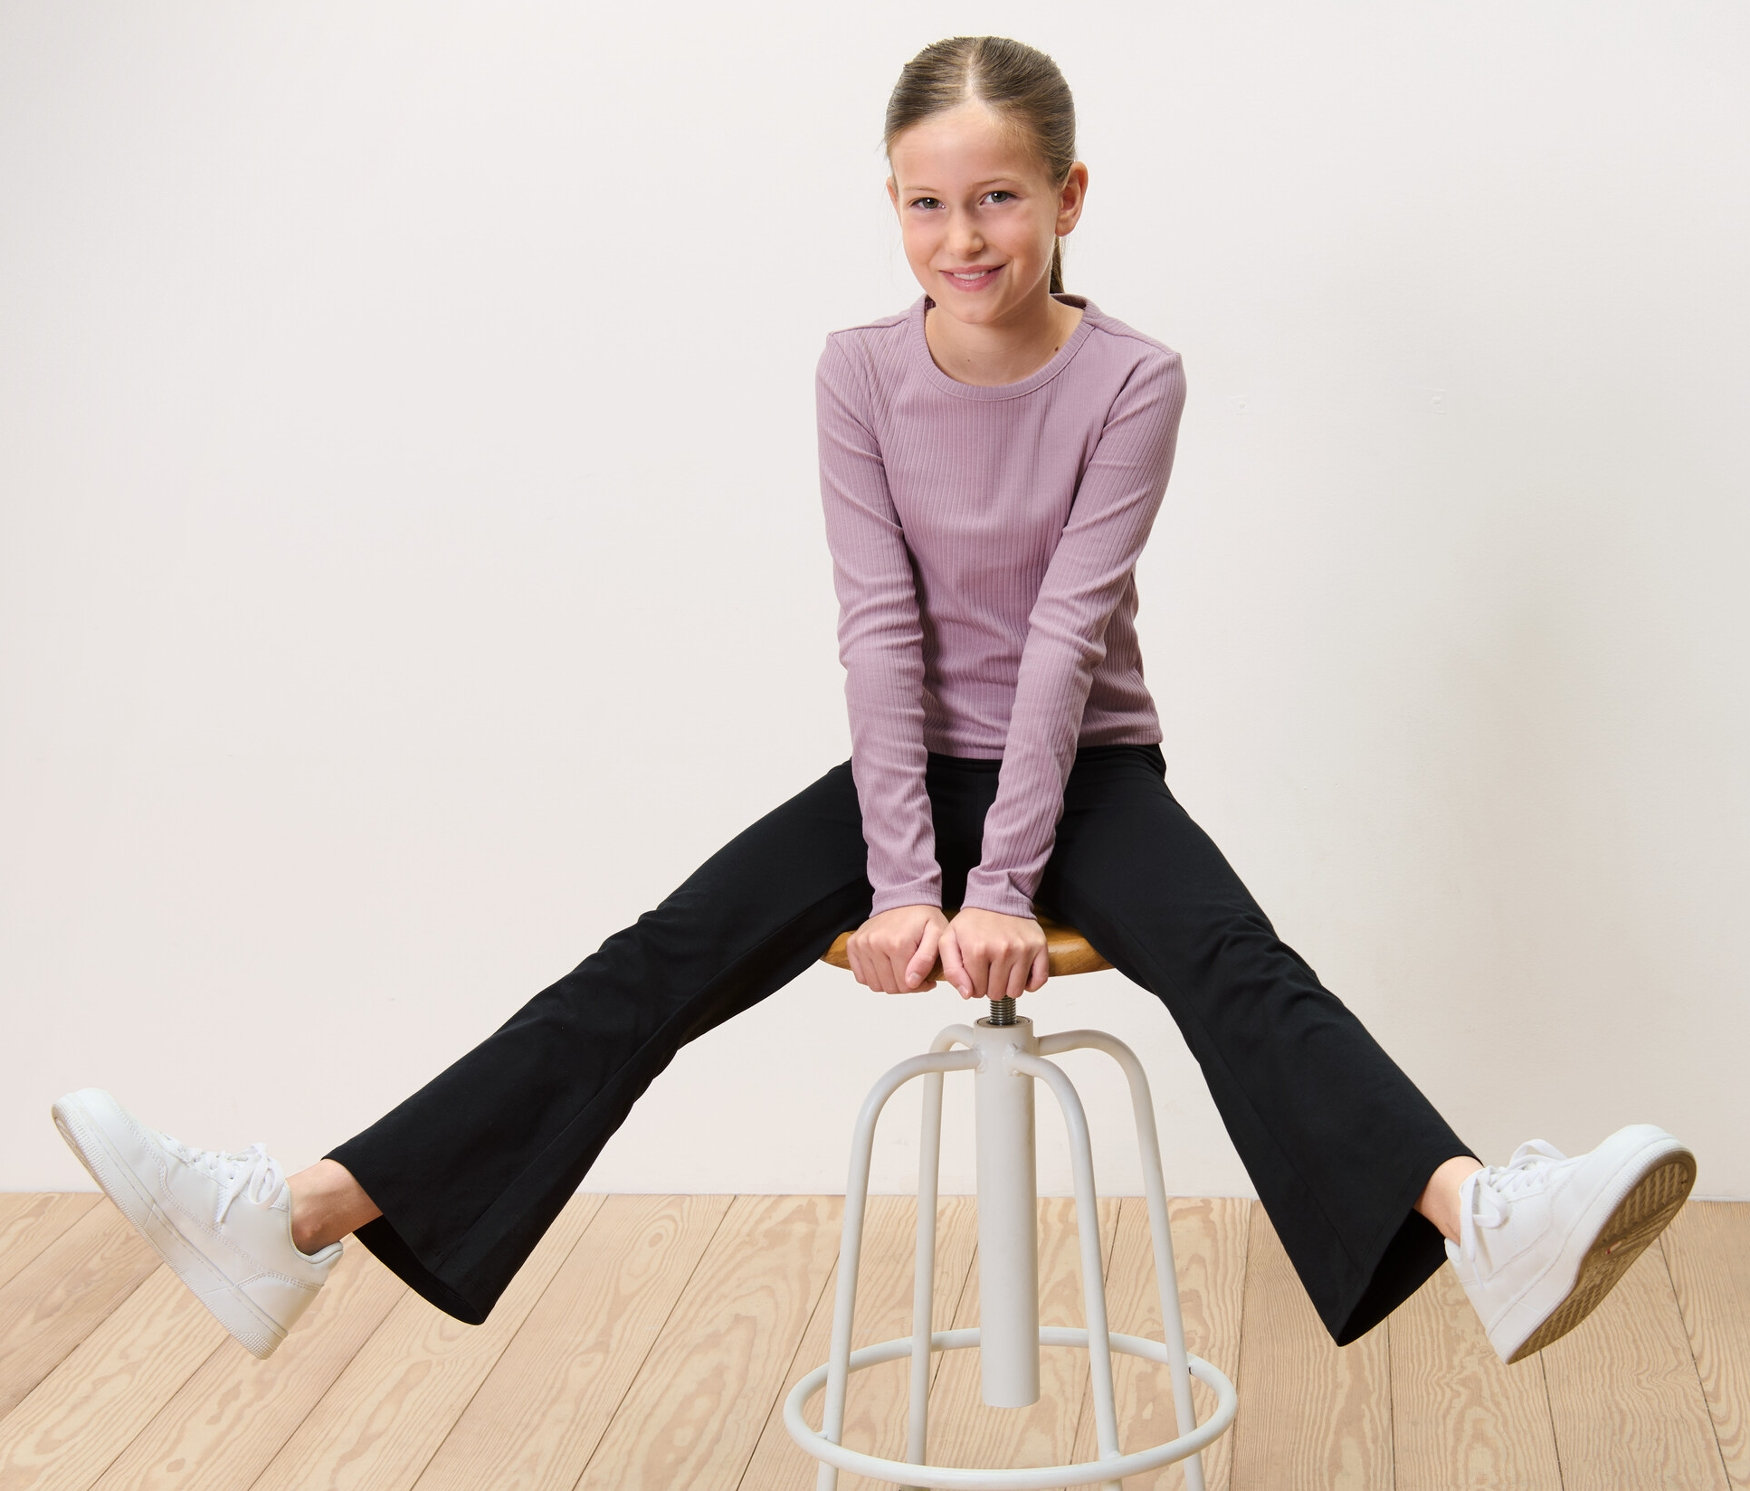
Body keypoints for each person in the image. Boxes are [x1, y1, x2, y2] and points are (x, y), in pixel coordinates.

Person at [53, 34, 1695, 1372]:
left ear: (1066, 195)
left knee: (1232, 965)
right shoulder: (856, 372)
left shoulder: (1132, 379)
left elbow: (1061, 642)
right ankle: (289, 1219)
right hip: (901, 768)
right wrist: (908, 876)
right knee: (656, 963)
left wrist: (994, 889)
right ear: (890, 208)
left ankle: (1481, 1219)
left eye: (995, 198)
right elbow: (878, 635)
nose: (962, 239)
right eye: (924, 205)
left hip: (1089, 772)